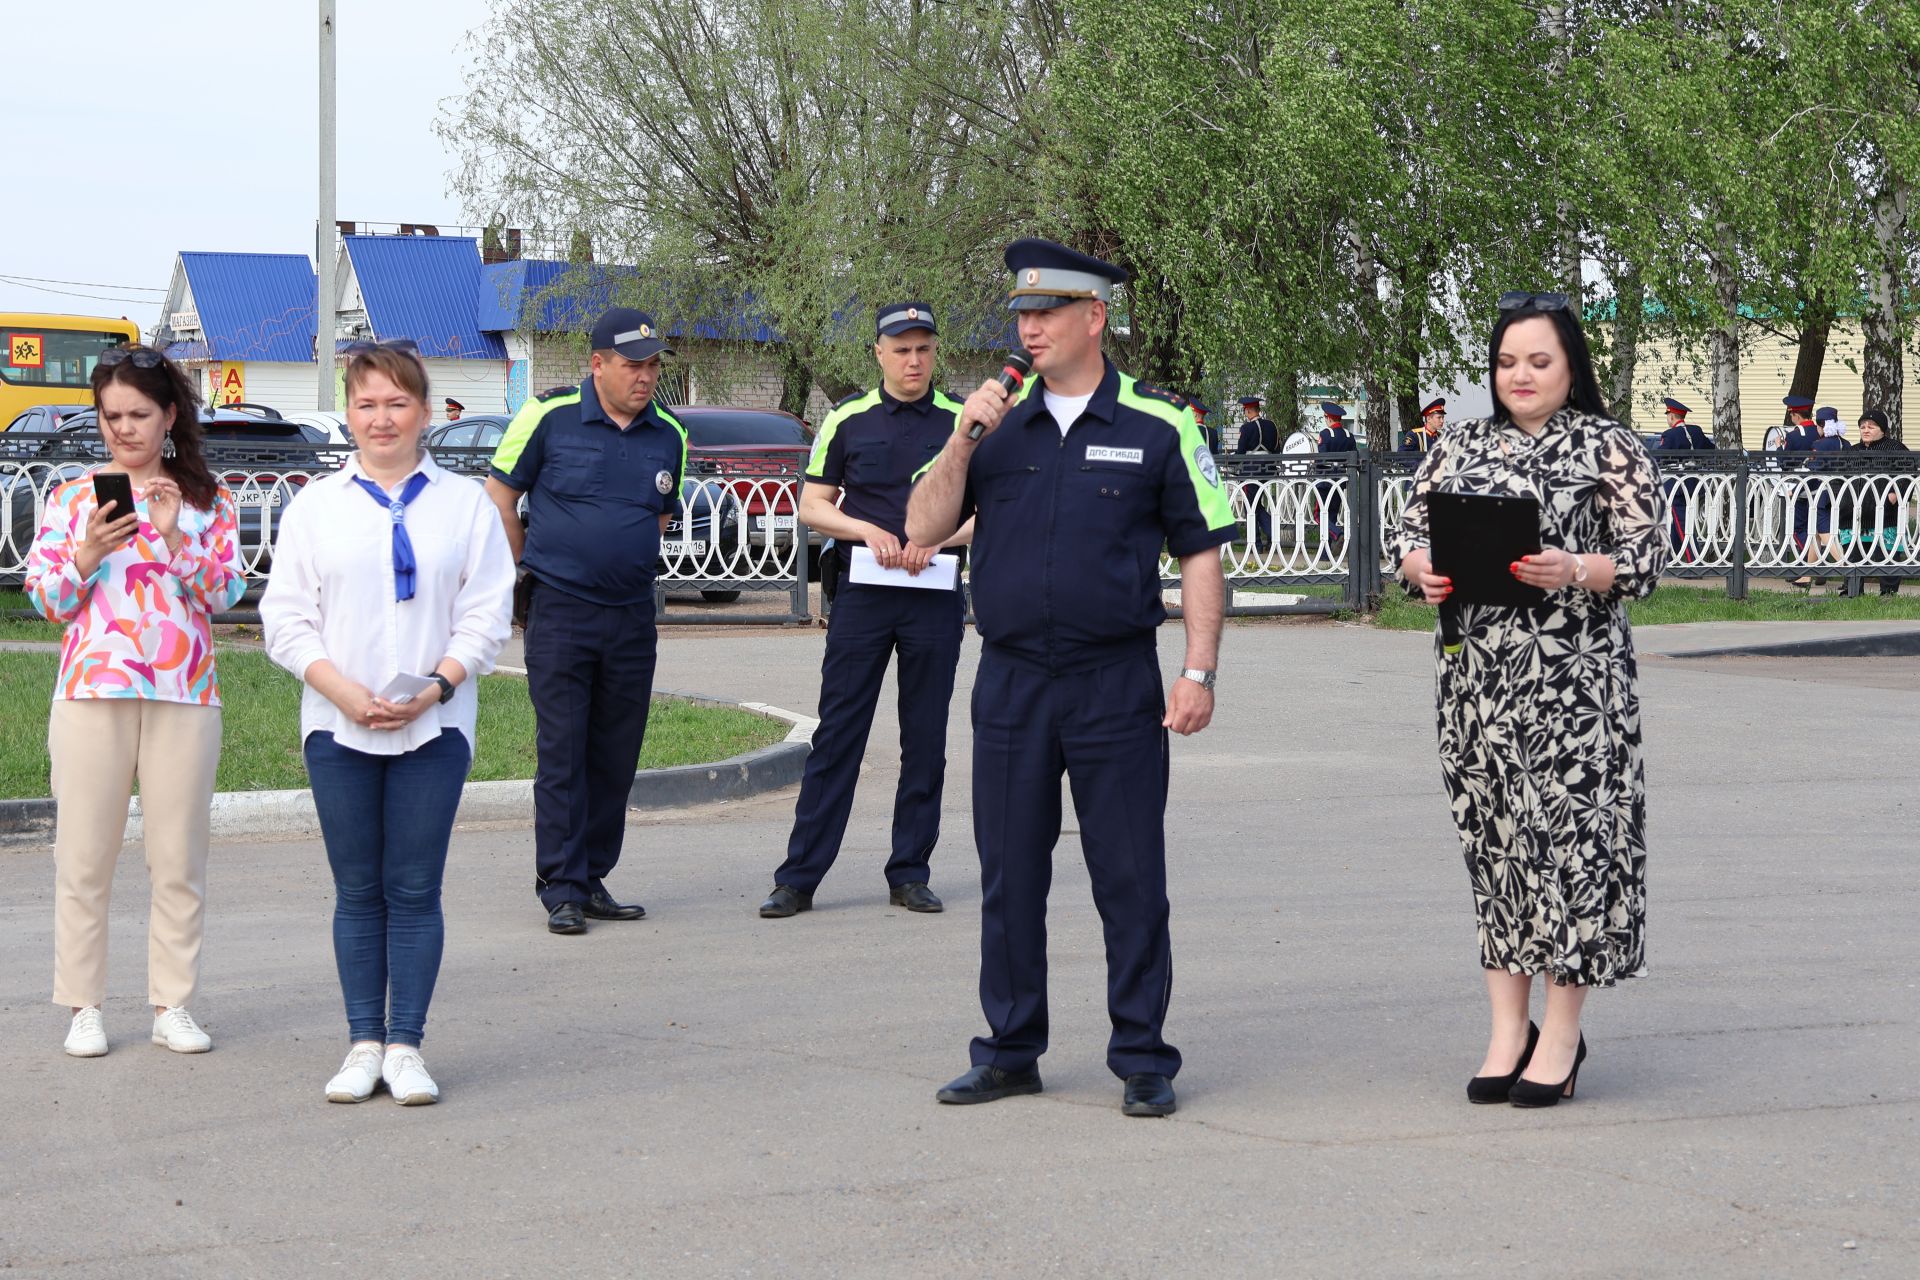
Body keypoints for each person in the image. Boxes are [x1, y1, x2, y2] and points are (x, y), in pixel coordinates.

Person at [907, 237, 1234, 1119]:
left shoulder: (1159, 426)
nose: (1029, 327)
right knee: (1009, 873)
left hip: (1114, 681)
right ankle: (1010, 1049)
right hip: (1012, 680)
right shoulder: (994, 425)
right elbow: (925, 527)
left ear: (1096, 318)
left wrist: (1197, 669)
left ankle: (1142, 1056)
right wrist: (960, 437)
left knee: (1128, 872)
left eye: (1046, 312)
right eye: (1021, 313)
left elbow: (1203, 551)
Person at [1392, 290, 1667, 1108]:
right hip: (1476, 684)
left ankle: (1562, 1032)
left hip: (1577, 691)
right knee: (1499, 847)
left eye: (1539, 361)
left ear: (1571, 366)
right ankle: (1506, 1031)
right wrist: (1418, 569)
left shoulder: (1609, 447)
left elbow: (1647, 560)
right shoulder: (1458, 444)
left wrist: (1575, 568)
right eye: (1508, 362)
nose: (1521, 375)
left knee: (1573, 852)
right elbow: (1406, 534)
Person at [262, 343, 512, 1104]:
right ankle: (361, 1042)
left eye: (396, 403)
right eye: (367, 404)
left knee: (414, 886)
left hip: (432, 727)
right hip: (338, 727)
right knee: (356, 888)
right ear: (349, 412)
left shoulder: (464, 505)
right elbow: (285, 619)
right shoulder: (316, 507)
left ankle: (406, 1044)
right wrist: (342, 692)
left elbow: (487, 612)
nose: (381, 418)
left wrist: (436, 686)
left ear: (426, 414)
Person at [24, 346, 245, 1060]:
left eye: (138, 415)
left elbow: (225, 595)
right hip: (93, 691)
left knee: (177, 859)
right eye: (111, 416)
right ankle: (83, 1006)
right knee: (83, 859)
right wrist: (87, 553)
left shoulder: (207, 501)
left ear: (170, 415)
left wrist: (176, 534)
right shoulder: (70, 498)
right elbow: (48, 601)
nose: (124, 429)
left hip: (184, 694)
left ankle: (171, 1003)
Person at [758, 303, 970, 919]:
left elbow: (995, 509)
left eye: (923, 349)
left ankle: (910, 871)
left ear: (935, 353)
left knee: (925, 740)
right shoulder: (848, 418)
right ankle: (798, 878)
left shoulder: (964, 422)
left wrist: (939, 539)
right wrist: (865, 531)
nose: (913, 360)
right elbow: (812, 505)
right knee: (839, 735)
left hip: (933, 593)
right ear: (878, 352)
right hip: (864, 594)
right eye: (901, 349)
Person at [484, 308, 688, 934]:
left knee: (615, 754)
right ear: (597, 365)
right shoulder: (547, 417)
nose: (645, 377)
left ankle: (594, 875)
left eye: (653, 366)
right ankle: (562, 886)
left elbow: (657, 516)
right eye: (633, 366)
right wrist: (529, 566)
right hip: (562, 609)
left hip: (631, 614)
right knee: (565, 751)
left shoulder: (668, 435)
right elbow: (499, 497)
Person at [1850, 409, 1908, 595]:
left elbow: (1908, 473)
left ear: (1882, 430)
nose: (1866, 430)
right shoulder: (1852, 451)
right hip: (1855, 514)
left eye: (1871, 427)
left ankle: (1889, 593)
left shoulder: (1895, 448)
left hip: (1886, 513)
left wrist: (1895, 493)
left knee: (1887, 553)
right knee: (1854, 553)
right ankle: (1853, 593)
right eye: (1862, 427)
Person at [1797, 406, 1851, 587]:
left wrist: (1798, 485)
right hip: (1841, 491)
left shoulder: (1820, 444)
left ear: (1821, 425)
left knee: (1823, 531)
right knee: (1815, 534)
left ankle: (1846, 569)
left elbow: (1814, 470)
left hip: (1823, 493)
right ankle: (1806, 576)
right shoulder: (1846, 443)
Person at [1655, 398, 1714, 558]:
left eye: (1668, 415)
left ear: (1672, 416)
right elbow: (1711, 450)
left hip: (1676, 484)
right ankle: (1672, 557)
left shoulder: (1670, 435)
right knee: (1676, 519)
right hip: (1694, 482)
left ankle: (1691, 559)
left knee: (1681, 522)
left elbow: (1660, 458)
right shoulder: (1696, 431)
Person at [1781, 396, 1818, 557]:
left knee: (1797, 528)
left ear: (1796, 415)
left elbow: (1784, 463)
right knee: (1815, 528)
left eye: (1791, 415)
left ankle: (1811, 562)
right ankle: (1815, 560)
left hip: (1800, 485)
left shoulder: (1794, 436)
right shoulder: (1820, 432)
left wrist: (1778, 448)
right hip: (1820, 485)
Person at [1315, 401, 1356, 543]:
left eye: (1325, 418)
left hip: (1325, 480)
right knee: (1331, 514)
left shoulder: (1325, 434)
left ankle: (1338, 534)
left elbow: (1321, 459)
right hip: (1341, 481)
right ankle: (1326, 553)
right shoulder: (1349, 436)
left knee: (1319, 515)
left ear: (1329, 418)